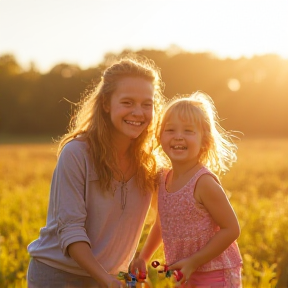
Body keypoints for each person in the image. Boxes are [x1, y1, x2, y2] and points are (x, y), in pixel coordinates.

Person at [27, 55, 166, 288]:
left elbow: (167, 215)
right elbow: (71, 231)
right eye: (127, 102)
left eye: (147, 104)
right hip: (58, 276)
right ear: (106, 104)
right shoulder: (77, 153)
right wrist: (106, 280)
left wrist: (142, 257)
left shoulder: (150, 163)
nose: (138, 112)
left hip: (112, 278)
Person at [131, 91, 243, 287]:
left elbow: (231, 229)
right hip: (184, 271)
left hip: (215, 273)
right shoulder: (162, 179)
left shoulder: (203, 183)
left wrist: (194, 261)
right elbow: (161, 222)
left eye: (188, 131)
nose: (178, 137)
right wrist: (144, 256)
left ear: (204, 141)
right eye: (171, 130)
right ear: (160, 136)